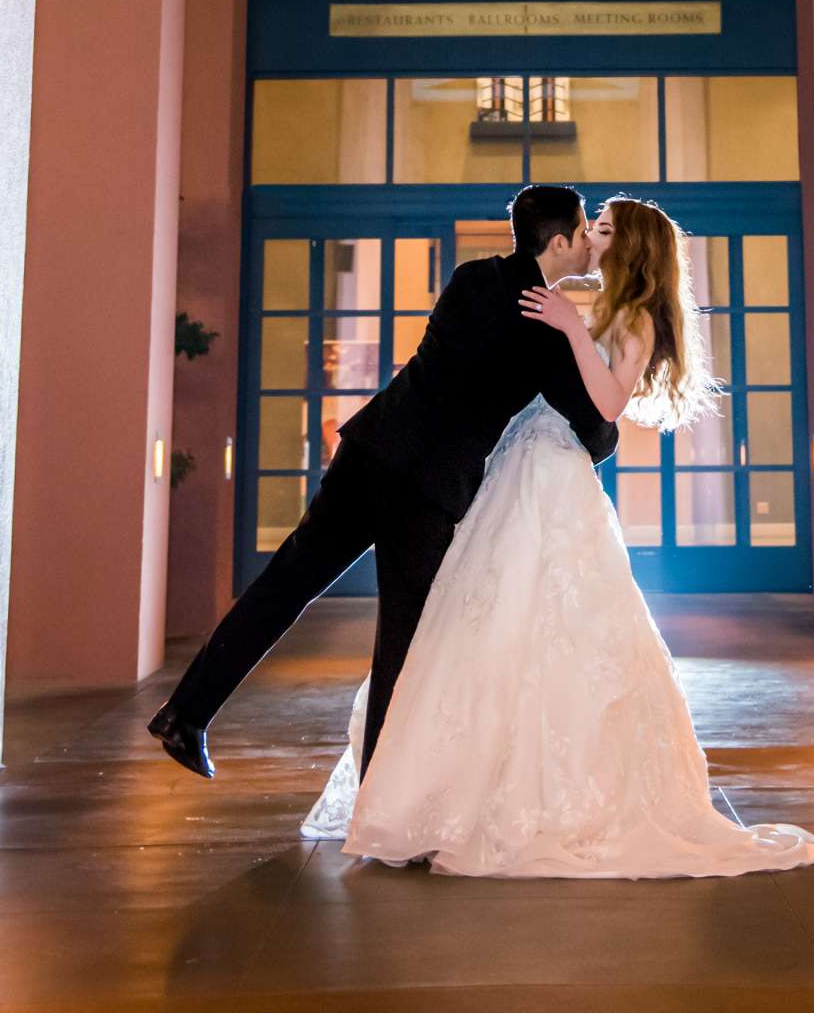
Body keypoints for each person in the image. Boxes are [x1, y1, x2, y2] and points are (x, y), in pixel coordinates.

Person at [301, 195, 814, 880]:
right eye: (591, 228)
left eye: (605, 230)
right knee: (479, 623)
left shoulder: (636, 316)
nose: (593, 240)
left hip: (555, 477)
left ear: (631, 245)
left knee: (547, 618)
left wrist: (570, 330)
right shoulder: (597, 307)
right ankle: (441, 789)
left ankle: (533, 797)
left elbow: (608, 406)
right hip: (519, 468)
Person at [148, 184, 617, 781]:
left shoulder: (472, 278)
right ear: (557, 242)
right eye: (582, 234)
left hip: (370, 450)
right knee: (403, 637)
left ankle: (185, 713)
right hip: (424, 490)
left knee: (287, 581)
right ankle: (379, 793)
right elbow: (597, 437)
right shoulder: (548, 330)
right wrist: (590, 356)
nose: (587, 245)